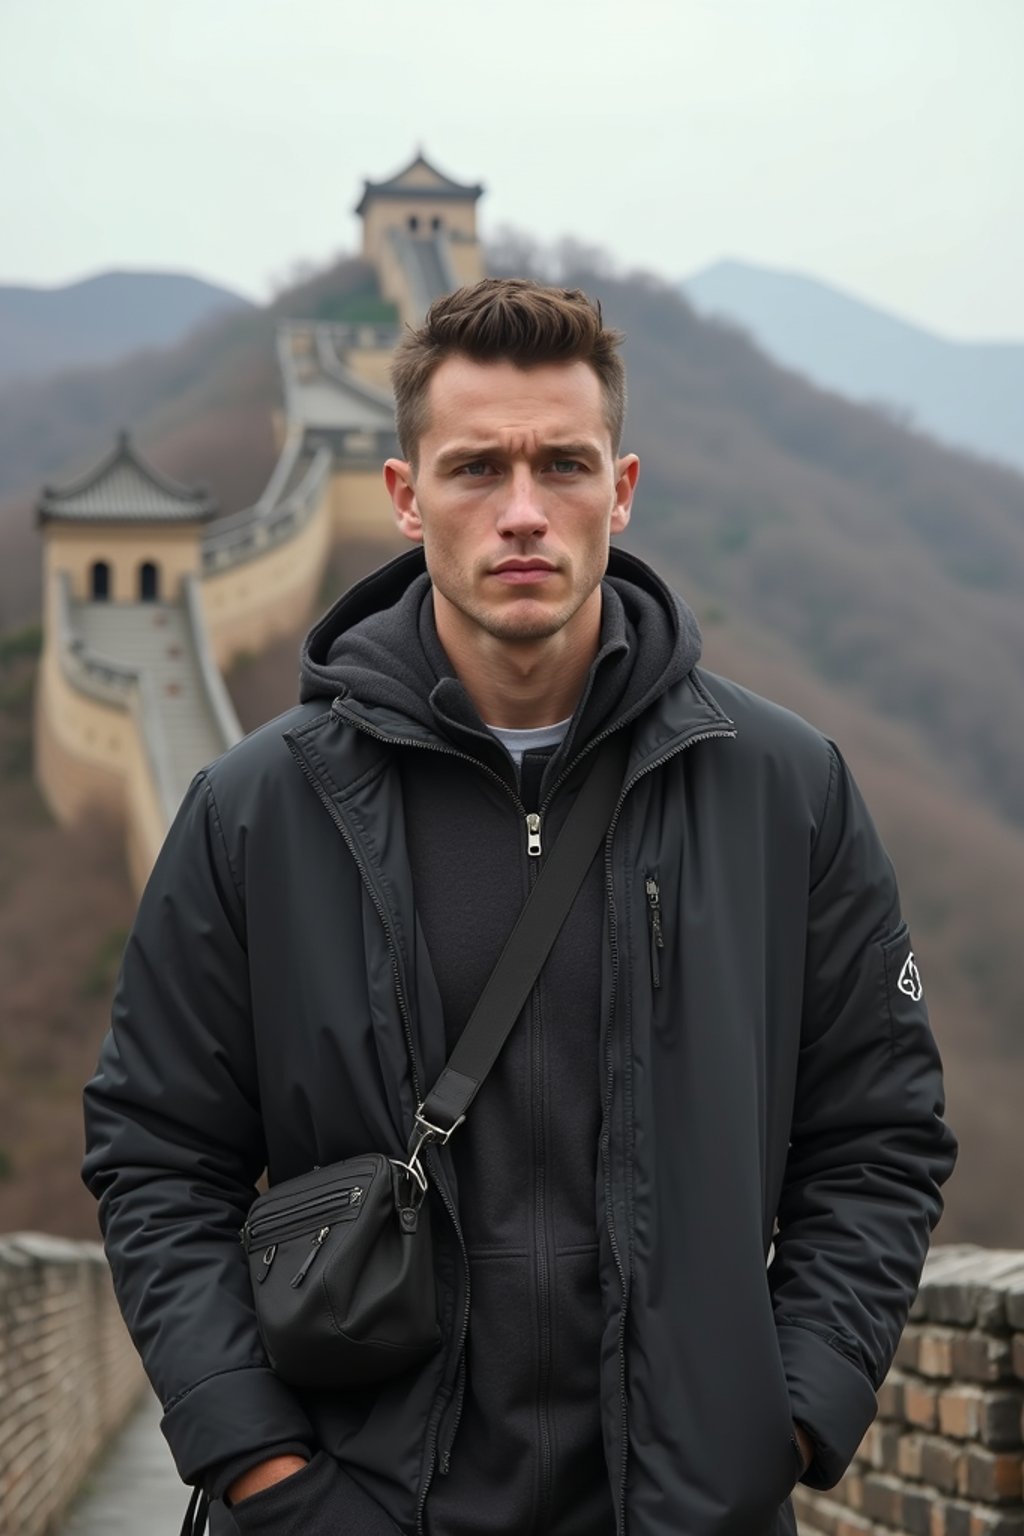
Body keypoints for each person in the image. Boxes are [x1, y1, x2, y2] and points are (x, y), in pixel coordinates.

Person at [82, 277, 956, 1536]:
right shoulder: (257, 809)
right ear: (403, 497)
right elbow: (157, 1156)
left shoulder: (783, 789)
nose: (524, 512)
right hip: (360, 1506)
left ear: (625, 487)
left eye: (563, 463)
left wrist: (791, 1417)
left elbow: (878, 1137)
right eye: (476, 468)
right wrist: (266, 1472)